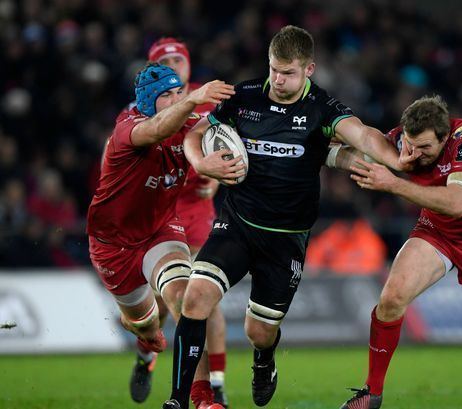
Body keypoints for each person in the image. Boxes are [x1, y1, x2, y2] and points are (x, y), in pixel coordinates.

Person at [162, 25, 408, 409]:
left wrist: (396, 160)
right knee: (195, 300)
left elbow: (361, 135)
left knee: (258, 331)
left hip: (286, 236)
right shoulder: (243, 96)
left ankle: (264, 359)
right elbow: (194, 135)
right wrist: (202, 164)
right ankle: (186, 398)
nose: (278, 79)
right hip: (237, 223)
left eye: (288, 72)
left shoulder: (322, 109)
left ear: (309, 69)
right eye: (274, 69)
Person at [338, 95, 462, 409]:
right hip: (438, 232)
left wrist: (393, 183)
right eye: (410, 144)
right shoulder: (406, 140)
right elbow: (363, 138)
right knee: (391, 298)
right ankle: (371, 393)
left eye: (425, 149)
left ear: (444, 138)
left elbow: (457, 204)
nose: (415, 155)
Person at [87, 62, 239, 409]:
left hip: (160, 231)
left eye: (178, 92)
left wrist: (212, 168)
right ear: (147, 100)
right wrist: (191, 101)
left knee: (189, 301)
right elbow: (157, 129)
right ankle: (140, 333)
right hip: (113, 245)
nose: (175, 100)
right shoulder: (129, 128)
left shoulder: (187, 127)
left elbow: (214, 132)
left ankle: (201, 398)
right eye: (165, 95)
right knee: (148, 329)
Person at [144, 37, 230, 409]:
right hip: (163, 207)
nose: (176, 66)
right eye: (166, 62)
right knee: (168, 301)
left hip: (196, 210)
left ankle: (216, 384)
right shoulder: (147, 109)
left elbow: (230, 146)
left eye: (180, 59)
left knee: (205, 296)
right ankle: (147, 353)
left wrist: (218, 176)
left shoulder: (207, 101)